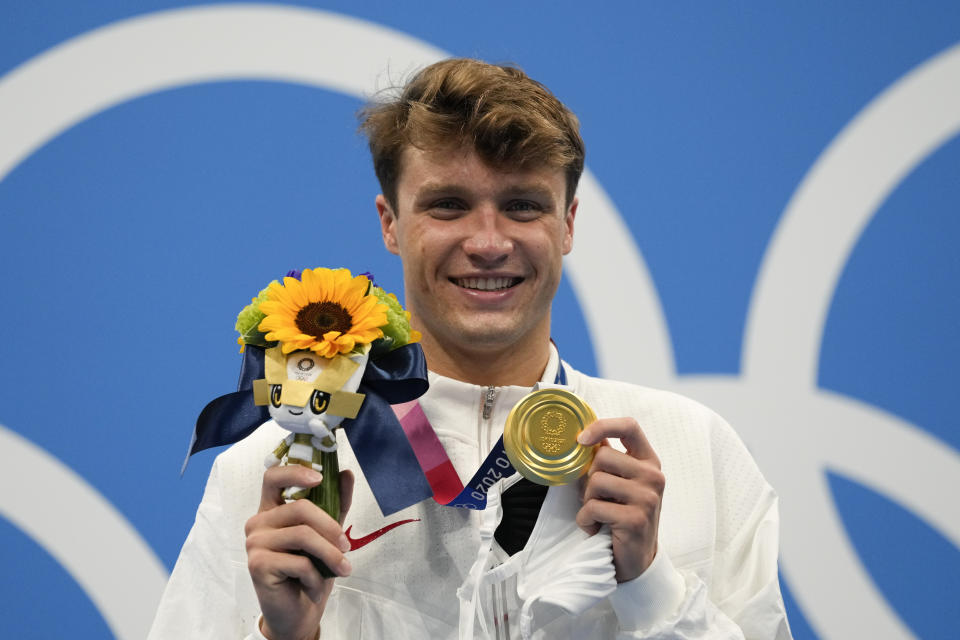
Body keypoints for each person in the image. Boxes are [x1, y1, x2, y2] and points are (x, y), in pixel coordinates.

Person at [149, 58, 792, 639]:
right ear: (390, 224)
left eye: (521, 206)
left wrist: (650, 587)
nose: (488, 242)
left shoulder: (694, 450)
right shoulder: (278, 468)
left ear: (567, 224)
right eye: (449, 206)